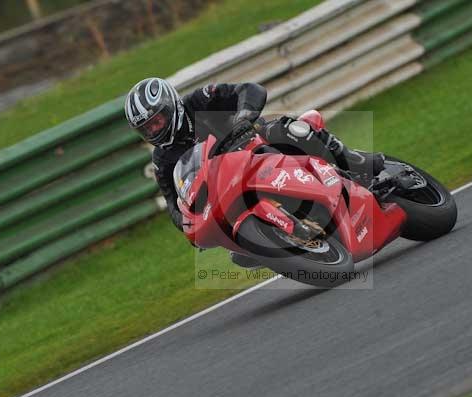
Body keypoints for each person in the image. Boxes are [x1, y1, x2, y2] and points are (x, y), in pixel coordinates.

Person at [125, 78, 385, 265]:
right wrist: (184, 222)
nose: (154, 130)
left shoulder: (198, 100)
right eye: (146, 128)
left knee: (289, 130)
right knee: (238, 255)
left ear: (171, 106)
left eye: (157, 120)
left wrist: (244, 118)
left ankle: (354, 161)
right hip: (226, 186)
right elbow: (173, 201)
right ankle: (284, 237)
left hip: (254, 144)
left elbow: (249, 90)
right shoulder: (162, 159)